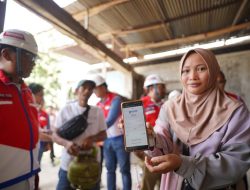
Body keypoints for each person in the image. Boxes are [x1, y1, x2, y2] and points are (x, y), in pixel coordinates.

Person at [142, 48, 250, 189]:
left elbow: (236, 161)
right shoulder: (169, 108)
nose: (192, 76)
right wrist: (150, 138)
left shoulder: (235, 111)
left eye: (201, 69)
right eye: (186, 71)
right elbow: (162, 145)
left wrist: (184, 164)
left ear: (213, 71)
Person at [0, 29, 40, 189]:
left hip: (30, 176)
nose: (33, 62)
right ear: (7, 55)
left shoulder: (26, 90)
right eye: (29, 56)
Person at [52, 78, 107, 190]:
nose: (87, 91)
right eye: (84, 88)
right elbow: (54, 135)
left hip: (91, 165)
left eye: (90, 89)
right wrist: (67, 144)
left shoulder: (97, 111)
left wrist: (92, 139)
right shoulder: (65, 110)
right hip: (68, 163)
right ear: (77, 90)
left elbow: (104, 134)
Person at [93, 75, 132, 190]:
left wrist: (93, 132)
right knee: (110, 170)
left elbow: (110, 120)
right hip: (106, 141)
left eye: (96, 88)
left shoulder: (116, 99)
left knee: (124, 169)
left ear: (104, 87)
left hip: (120, 139)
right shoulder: (98, 105)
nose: (94, 91)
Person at [139, 74, 166, 190]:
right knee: (148, 183)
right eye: (161, 87)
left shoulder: (166, 105)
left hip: (165, 149)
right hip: (148, 151)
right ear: (151, 88)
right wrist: (138, 150)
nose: (164, 89)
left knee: (164, 183)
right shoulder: (140, 104)